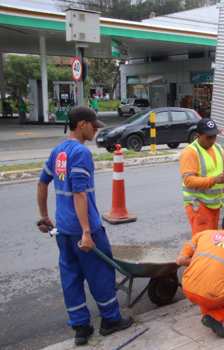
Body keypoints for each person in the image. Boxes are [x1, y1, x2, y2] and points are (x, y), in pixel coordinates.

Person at [36, 106, 133, 346]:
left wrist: (44, 216)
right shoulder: (80, 153)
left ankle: (81, 327)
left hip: (64, 229)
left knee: (71, 276)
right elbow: (79, 193)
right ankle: (110, 320)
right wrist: (88, 232)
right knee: (100, 274)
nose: (95, 130)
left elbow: (41, 182)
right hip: (84, 229)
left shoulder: (58, 151)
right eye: (93, 126)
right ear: (82, 125)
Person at [179, 118, 224, 236]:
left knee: (210, 240)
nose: (212, 140)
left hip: (214, 204)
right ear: (198, 136)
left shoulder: (217, 148)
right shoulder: (190, 152)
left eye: (214, 136)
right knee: (202, 242)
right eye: (209, 137)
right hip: (199, 205)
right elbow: (188, 181)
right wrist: (215, 179)